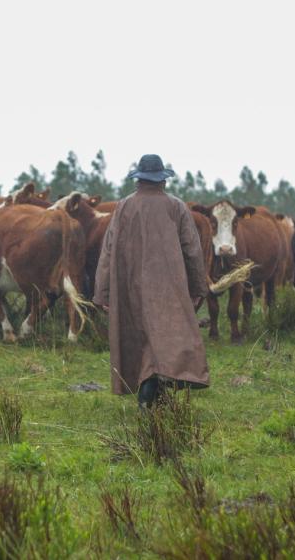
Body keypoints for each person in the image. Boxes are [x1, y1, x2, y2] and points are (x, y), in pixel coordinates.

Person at [93, 154, 210, 408]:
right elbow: (192, 250)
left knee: (145, 338)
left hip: (130, 286)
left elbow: (108, 250)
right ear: (163, 181)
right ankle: (151, 395)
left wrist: (102, 292)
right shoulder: (176, 207)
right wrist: (198, 287)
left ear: (138, 181)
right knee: (167, 338)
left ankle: (151, 396)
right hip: (170, 287)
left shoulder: (123, 206)